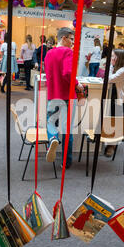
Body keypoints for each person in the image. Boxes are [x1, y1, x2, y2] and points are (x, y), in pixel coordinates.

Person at [44, 27, 84, 168]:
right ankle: (66, 162)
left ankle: (53, 139)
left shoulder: (48, 54)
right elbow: (67, 73)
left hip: (53, 96)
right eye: (71, 39)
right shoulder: (68, 52)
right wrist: (77, 84)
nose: (73, 43)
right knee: (67, 130)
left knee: (50, 123)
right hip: (67, 97)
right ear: (64, 38)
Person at [104, 48, 124, 157]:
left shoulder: (123, 70)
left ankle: (112, 147)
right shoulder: (117, 68)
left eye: (113, 56)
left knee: (115, 124)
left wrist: (109, 66)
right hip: (114, 98)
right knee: (111, 122)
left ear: (118, 58)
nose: (111, 58)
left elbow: (109, 79)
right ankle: (109, 143)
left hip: (119, 100)